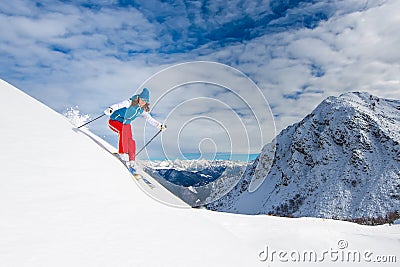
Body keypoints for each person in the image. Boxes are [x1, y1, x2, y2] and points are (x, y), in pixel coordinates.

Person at [104, 88, 166, 173]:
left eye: (146, 100)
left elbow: (149, 118)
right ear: (139, 98)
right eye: (142, 99)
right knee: (122, 132)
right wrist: (110, 108)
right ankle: (122, 154)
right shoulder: (130, 102)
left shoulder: (142, 110)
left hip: (125, 124)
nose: (143, 102)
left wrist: (159, 125)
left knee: (131, 140)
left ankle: (131, 159)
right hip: (114, 121)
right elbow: (119, 105)